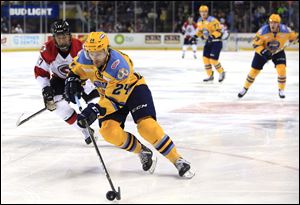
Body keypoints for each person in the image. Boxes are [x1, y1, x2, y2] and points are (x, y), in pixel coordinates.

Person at [64, 32, 195, 178]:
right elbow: (75, 70)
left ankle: (177, 159)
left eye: (99, 53)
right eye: (91, 53)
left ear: (107, 50)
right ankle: (142, 151)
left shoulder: (119, 66)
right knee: (108, 132)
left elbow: (115, 100)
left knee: (147, 127)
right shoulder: (84, 57)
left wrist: (95, 109)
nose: (95, 58)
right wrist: (72, 80)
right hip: (108, 96)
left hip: (133, 91)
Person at [34, 19, 99, 144]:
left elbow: (92, 70)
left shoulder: (80, 48)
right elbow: (40, 72)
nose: (63, 40)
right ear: (54, 38)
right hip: (59, 80)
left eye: (65, 36)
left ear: (69, 35)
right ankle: (85, 131)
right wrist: (46, 88)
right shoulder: (47, 50)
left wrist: (82, 85)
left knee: (96, 100)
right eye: (59, 37)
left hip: (81, 78)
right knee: (56, 105)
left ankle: (101, 122)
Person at [238, 14, 298, 98]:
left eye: (275, 23)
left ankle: (281, 90)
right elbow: (255, 44)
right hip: (263, 51)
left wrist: (297, 38)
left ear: (278, 24)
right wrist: (264, 51)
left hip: (278, 51)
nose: (272, 24)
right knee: (254, 72)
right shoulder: (262, 31)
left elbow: (294, 37)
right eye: (271, 22)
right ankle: (245, 88)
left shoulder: (286, 30)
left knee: (282, 70)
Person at [195, 5, 226, 82]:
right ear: (199, 12)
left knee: (213, 60)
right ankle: (210, 76)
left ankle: (221, 72)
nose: (203, 13)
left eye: (205, 12)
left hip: (216, 42)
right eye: (202, 12)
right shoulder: (199, 21)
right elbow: (200, 31)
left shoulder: (213, 20)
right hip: (208, 42)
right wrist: (195, 36)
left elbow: (219, 30)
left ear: (207, 12)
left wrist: (212, 36)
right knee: (205, 59)